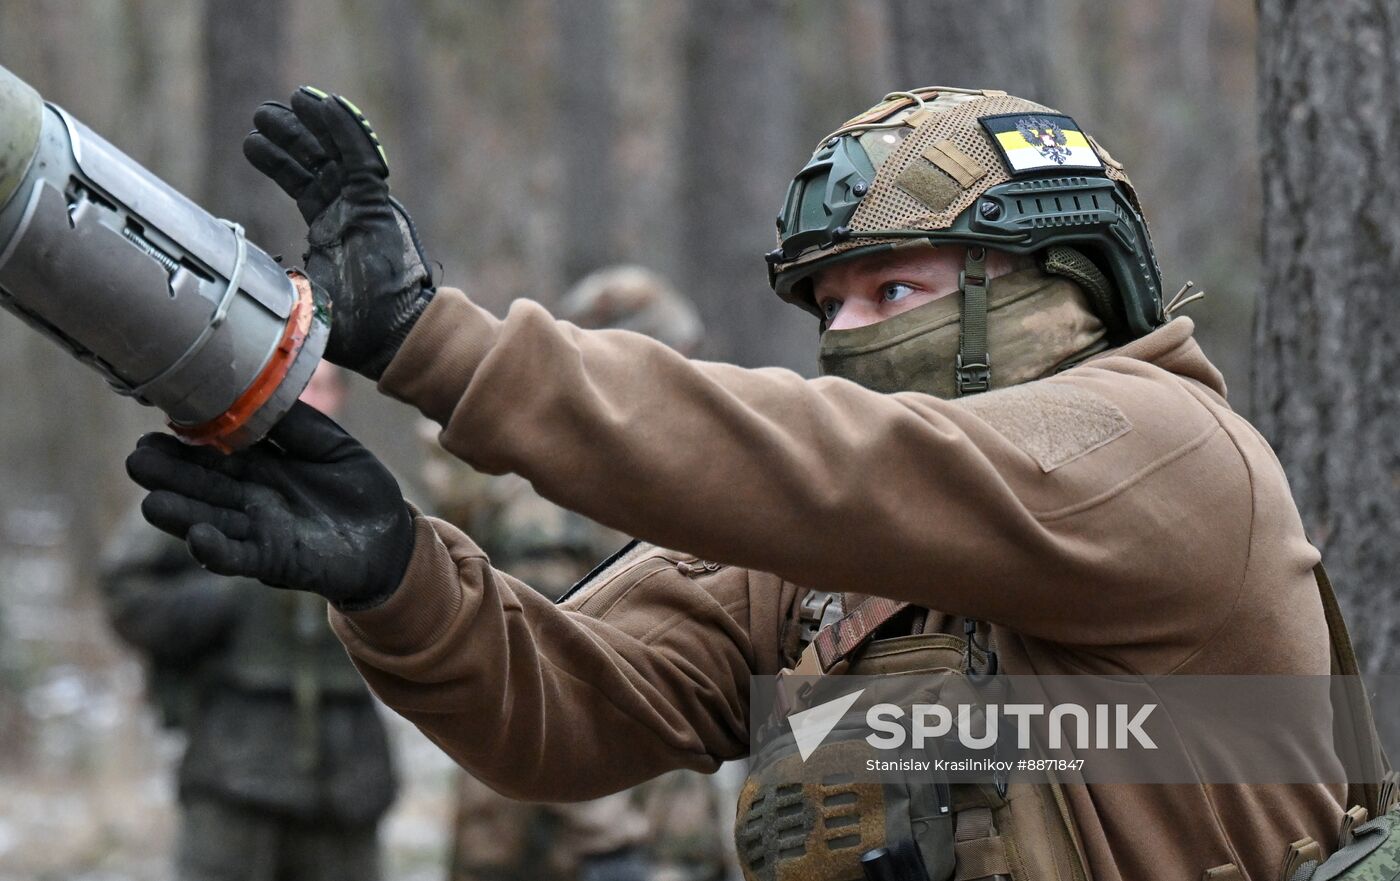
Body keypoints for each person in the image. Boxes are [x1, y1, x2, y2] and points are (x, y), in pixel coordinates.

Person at [125, 86, 1386, 881]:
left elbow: (845, 466)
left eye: (894, 289)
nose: (847, 333)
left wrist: (433, 342)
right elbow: (569, 715)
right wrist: (399, 576)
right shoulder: (832, 555)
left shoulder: (1166, 453)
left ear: (1059, 284)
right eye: (827, 302)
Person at [420, 267, 728, 881]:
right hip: (571, 847)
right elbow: (535, 673)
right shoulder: (548, 496)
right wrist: (613, 845)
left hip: (660, 831)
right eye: (673, 359)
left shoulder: (653, 476)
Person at [102, 362, 396, 881]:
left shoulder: (375, 496)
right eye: (298, 385)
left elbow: (433, 599)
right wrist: (227, 598)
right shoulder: (212, 484)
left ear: (343, 398)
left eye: (323, 387)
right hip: (234, 769)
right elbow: (127, 593)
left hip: (346, 777)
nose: (310, 401)